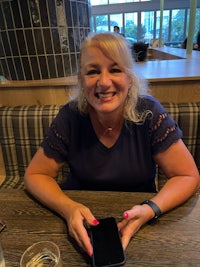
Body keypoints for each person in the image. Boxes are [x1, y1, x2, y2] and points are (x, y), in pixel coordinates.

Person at [24, 32, 200, 257]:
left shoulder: (149, 113)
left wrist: (150, 209)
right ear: (81, 79)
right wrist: (68, 209)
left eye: (115, 69)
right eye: (93, 71)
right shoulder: (69, 117)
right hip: (79, 224)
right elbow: (35, 175)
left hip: (142, 221)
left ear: (129, 77)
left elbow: (188, 176)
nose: (104, 82)